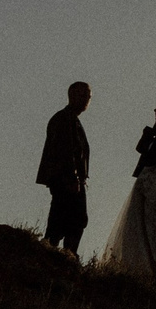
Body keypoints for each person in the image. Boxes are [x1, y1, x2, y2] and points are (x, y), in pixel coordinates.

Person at [96, 97, 156, 285]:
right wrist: (154, 127)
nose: (155, 111)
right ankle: (139, 271)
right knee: (136, 224)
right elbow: (141, 147)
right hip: (145, 176)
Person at [35, 81, 93, 255]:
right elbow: (64, 150)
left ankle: (62, 253)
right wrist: (72, 176)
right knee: (70, 218)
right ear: (72, 95)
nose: (86, 100)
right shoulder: (63, 118)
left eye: (88, 97)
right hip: (65, 178)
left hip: (69, 178)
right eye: (83, 95)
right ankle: (61, 253)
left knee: (69, 218)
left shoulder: (71, 120)